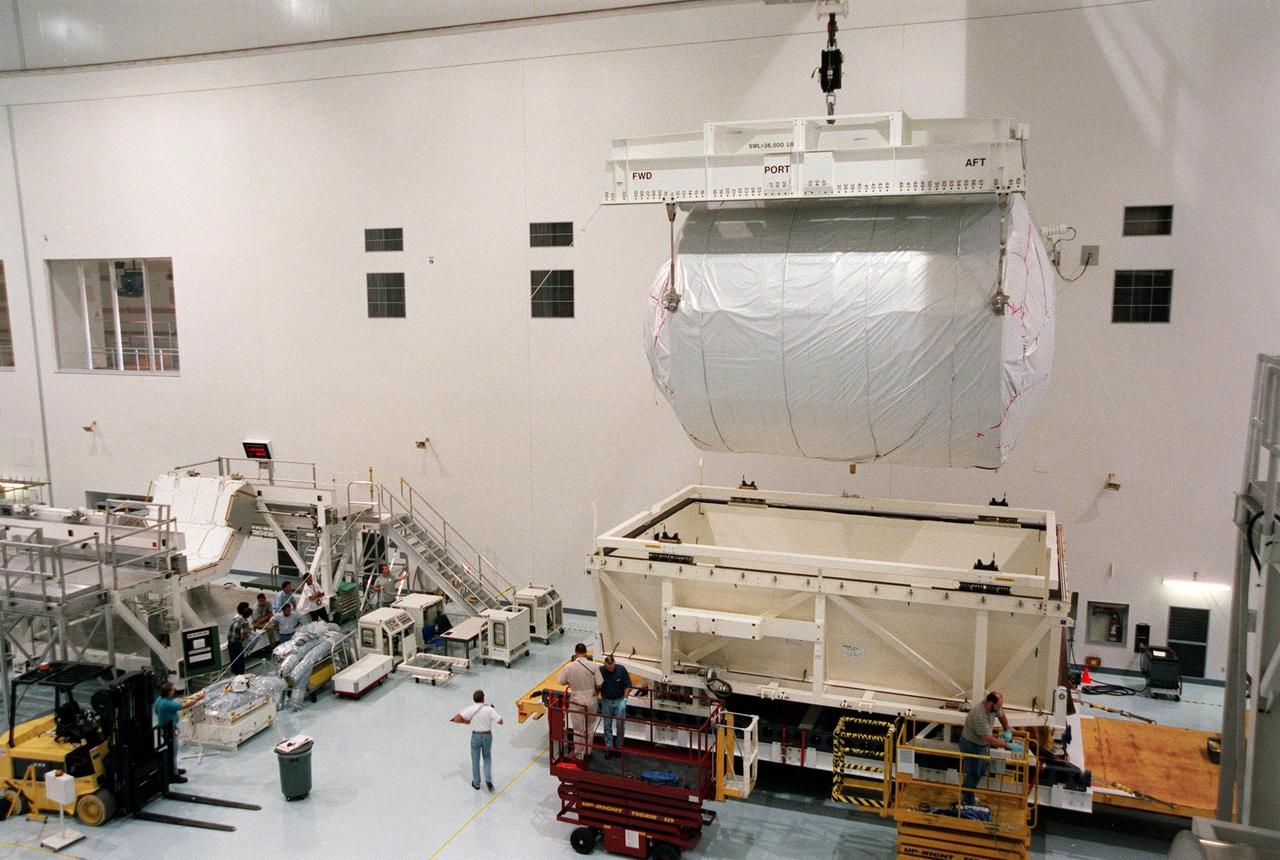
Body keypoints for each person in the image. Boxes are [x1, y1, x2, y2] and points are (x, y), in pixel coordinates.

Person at [959, 691, 1011, 805]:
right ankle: (966, 798)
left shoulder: (994, 708)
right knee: (974, 772)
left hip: (980, 744)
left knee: (981, 770)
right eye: (997, 707)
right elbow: (988, 738)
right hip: (971, 745)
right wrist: (1008, 745)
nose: (998, 710)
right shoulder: (979, 715)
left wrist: (1007, 729)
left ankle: (968, 794)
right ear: (990, 702)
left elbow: (1002, 716)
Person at [451, 689, 504, 792]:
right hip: (487, 736)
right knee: (487, 758)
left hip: (475, 736)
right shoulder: (489, 709)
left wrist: (465, 721)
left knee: (475, 760)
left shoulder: (470, 709)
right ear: (483, 698)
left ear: (474, 699)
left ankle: (476, 783)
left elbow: (455, 719)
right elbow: (500, 721)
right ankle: (488, 779)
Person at [556, 643, 602, 761]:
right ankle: (588, 751)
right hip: (591, 698)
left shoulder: (569, 667)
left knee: (578, 729)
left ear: (575, 653)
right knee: (590, 726)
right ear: (586, 652)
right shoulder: (593, 666)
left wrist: (570, 682)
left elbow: (560, 680)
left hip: (576, 699)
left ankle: (579, 753)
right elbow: (600, 683)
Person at [155, 681, 203, 784]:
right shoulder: (167, 704)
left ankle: (174, 769)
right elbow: (184, 706)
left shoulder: (159, 700)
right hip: (169, 730)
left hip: (164, 728)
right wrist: (198, 698)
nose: (175, 690)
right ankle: (173, 775)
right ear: (168, 692)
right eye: (173, 689)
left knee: (172, 751)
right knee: (173, 752)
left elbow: (155, 711)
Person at [598, 655, 631, 758]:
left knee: (620, 725)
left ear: (614, 663)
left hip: (619, 700)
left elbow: (628, 685)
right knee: (607, 725)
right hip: (606, 701)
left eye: (612, 666)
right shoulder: (601, 671)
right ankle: (608, 748)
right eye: (608, 667)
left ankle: (619, 748)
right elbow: (597, 684)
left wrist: (625, 699)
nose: (610, 669)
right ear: (605, 664)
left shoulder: (621, 670)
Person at [227, 601, 253, 674]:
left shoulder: (237, 618)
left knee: (234, 662)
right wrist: (247, 633)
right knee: (240, 663)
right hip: (236, 645)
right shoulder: (242, 622)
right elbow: (242, 637)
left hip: (230, 643)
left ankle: (235, 674)